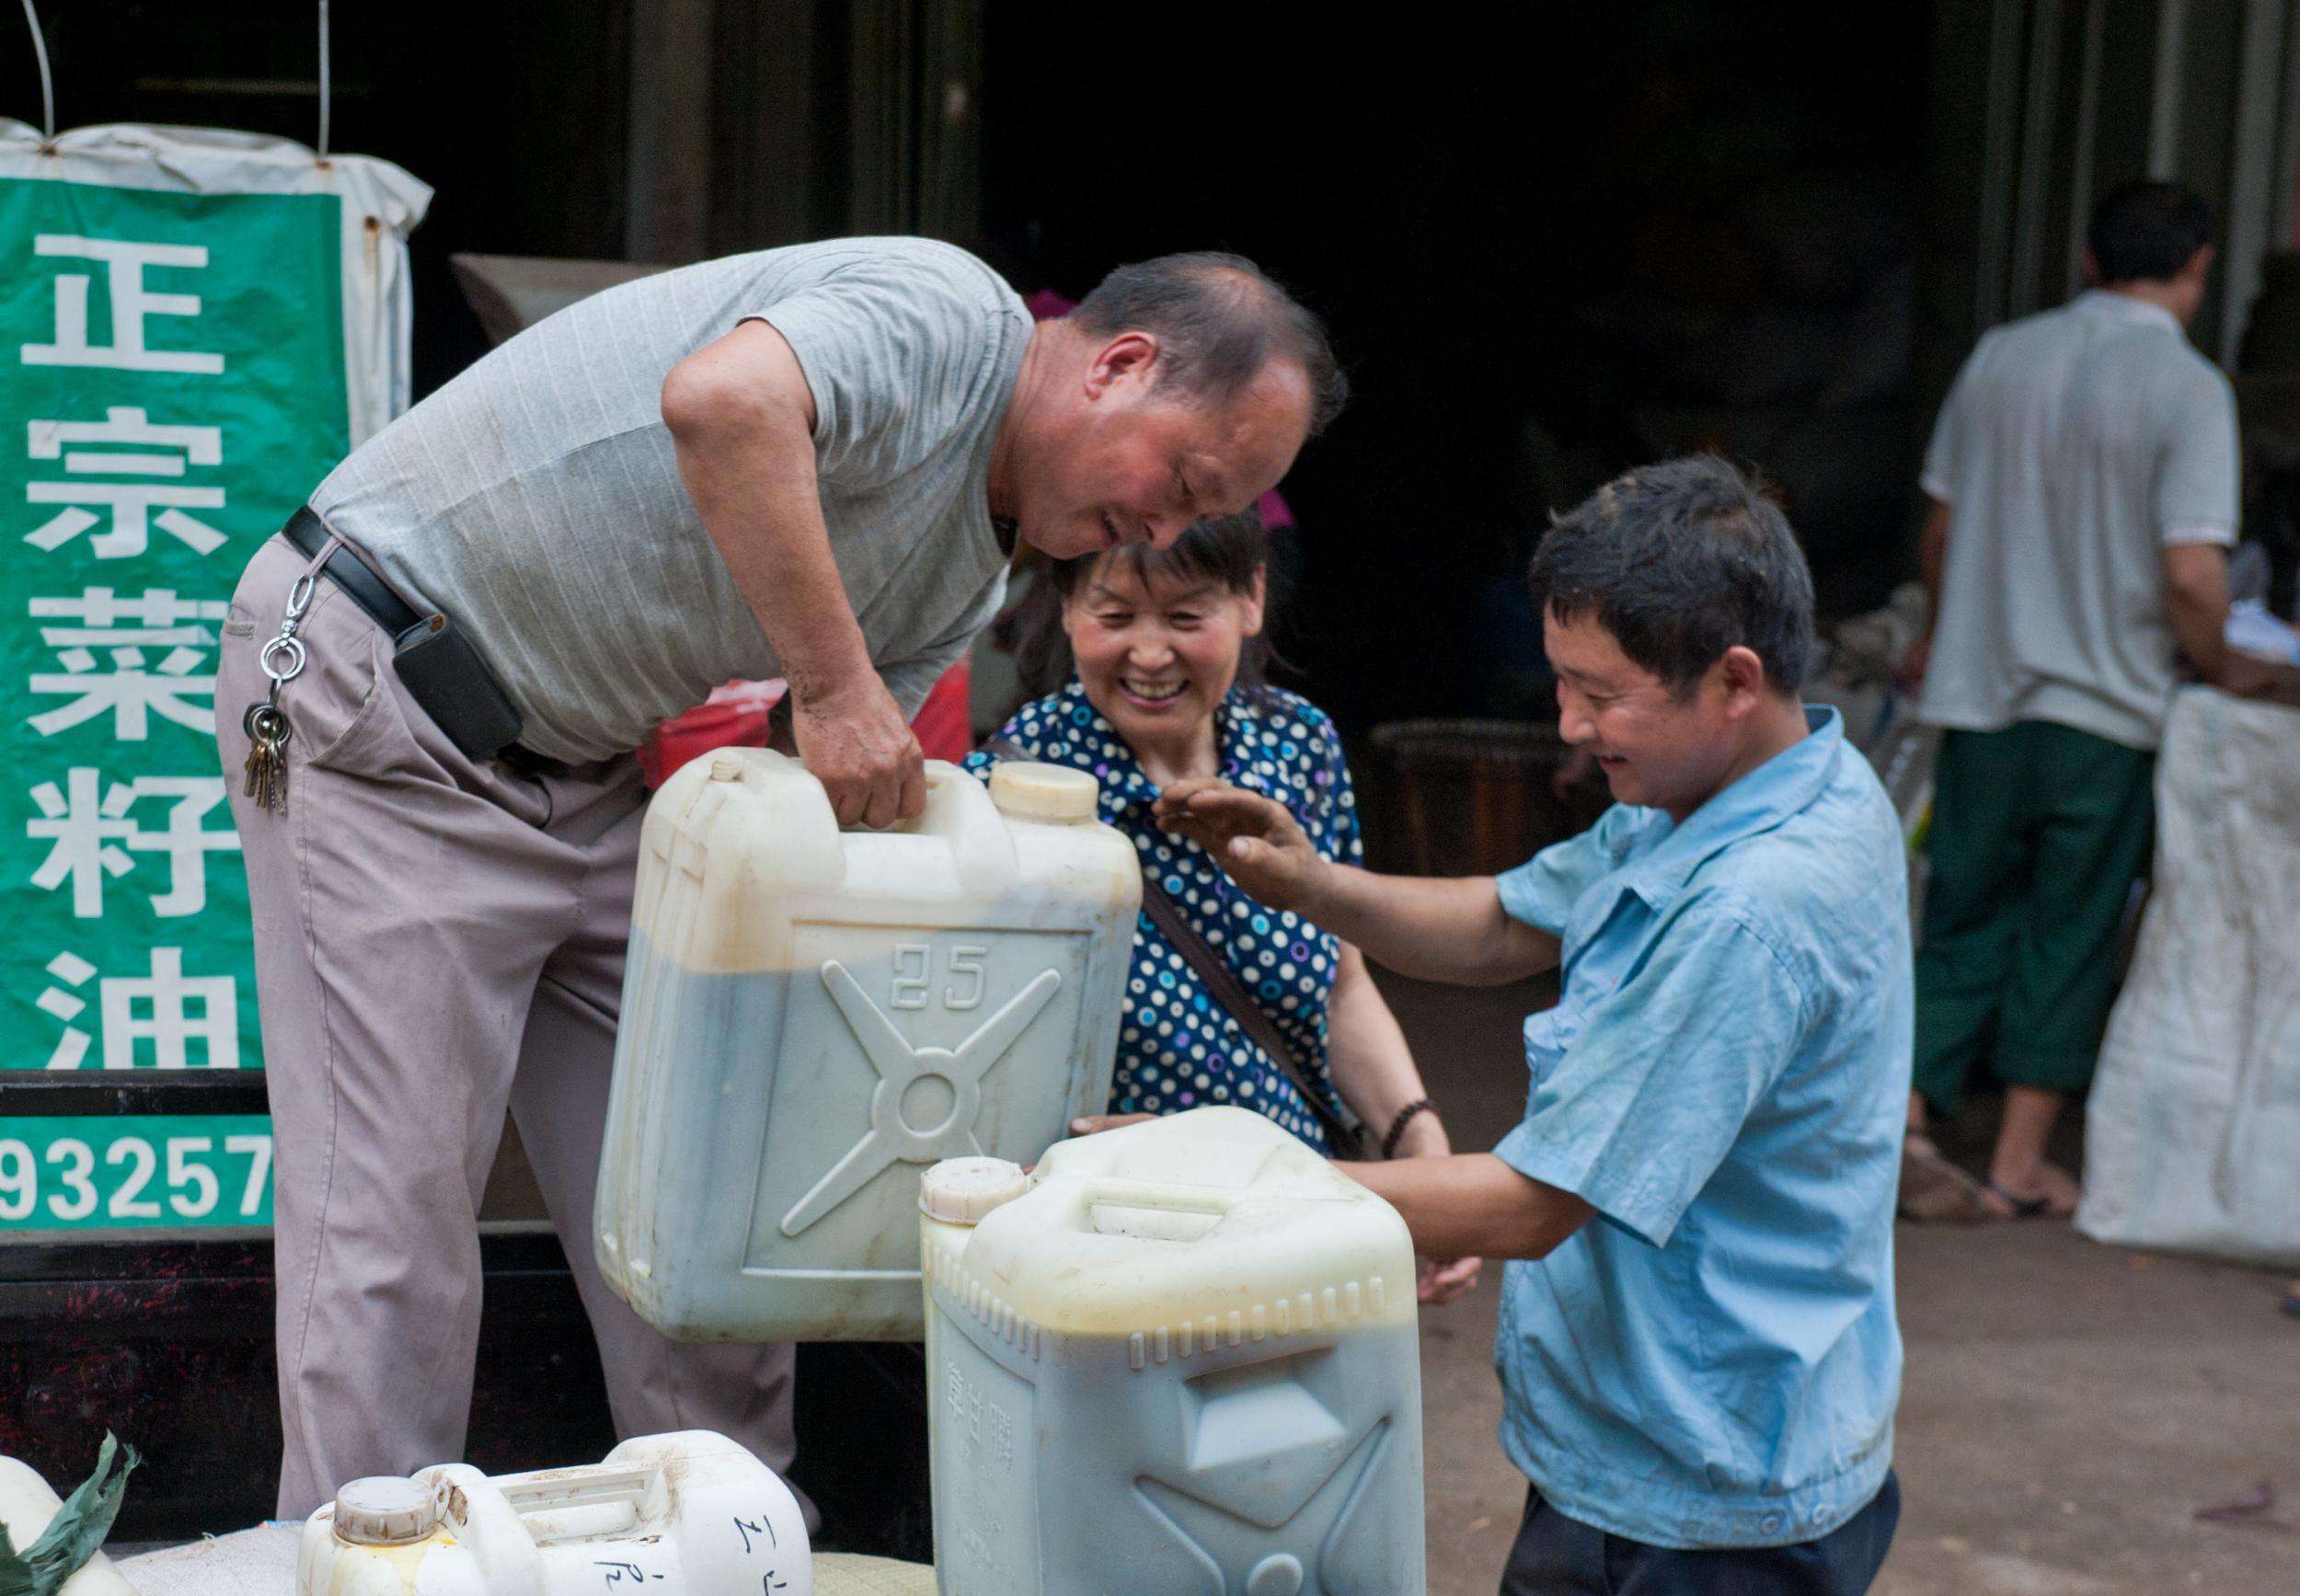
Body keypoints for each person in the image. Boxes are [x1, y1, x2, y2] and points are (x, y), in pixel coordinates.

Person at [212, 242, 1343, 1516]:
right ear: (1121, 366)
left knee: (711, 1193)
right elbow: (725, 402)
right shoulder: (947, 313)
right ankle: (374, 1550)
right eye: (1186, 479)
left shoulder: (967, 572)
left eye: (1204, 519)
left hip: (596, 777)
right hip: (388, 709)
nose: (1167, 527)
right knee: (394, 1223)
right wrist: (834, 681)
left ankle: (737, 1537)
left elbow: (811, 812)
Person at [1157, 457, 1905, 1593]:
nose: (1567, 723)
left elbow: (1532, 1203)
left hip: (1710, 1511)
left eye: (1599, 693)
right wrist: (1308, 884)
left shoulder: (1753, 908)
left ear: (1735, 680)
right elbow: (1507, 921)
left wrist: (1210, 1177)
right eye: (1562, 681)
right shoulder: (1742, 788)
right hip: (1649, 1450)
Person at [962, 510, 1479, 1303]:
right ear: (1065, 610)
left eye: (1183, 614)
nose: (1149, 651)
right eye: (1114, 615)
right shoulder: (1012, 789)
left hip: (1298, 1234)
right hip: (1104, 1260)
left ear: (1250, 599)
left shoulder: (1298, 746)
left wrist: (1422, 1152)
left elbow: (1341, 986)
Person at [1898, 181, 2277, 1222]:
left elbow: (1940, 532)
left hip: (1979, 698)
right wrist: (2217, 662)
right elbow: (2194, 575)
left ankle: (1909, 1125)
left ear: (2084, 255)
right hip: (2104, 715)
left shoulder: (1999, 357)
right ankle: (2019, 1159)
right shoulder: (2189, 390)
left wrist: (1946, 626)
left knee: (1962, 911)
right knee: (2068, 929)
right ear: (2198, 266)